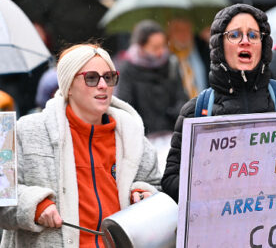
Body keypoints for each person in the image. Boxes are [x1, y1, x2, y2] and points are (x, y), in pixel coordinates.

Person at [0, 44, 161, 247]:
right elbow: (2, 196)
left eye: (109, 77)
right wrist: (34, 205)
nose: (103, 85)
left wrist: (144, 193)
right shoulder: (20, 129)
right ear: (68, 86)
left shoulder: (134, 135)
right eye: (91, 78)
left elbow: (155, 187)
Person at [162, 4, 276, 202]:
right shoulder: (197, 110)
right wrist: (212, 187)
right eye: (235, 35)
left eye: (253, 35)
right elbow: (170, 181)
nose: (245, 41)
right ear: (220, 44)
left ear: (263, 45)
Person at [115, 20, 188, 135]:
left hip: (171, 133)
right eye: (155, 47)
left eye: (163, 46)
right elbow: (125, 106)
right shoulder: (128, 68)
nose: (160, 52)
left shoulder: (171, 63)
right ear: (141, 46)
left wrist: (176, 114)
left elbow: (181, 97)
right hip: (143, 136)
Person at [167, 18, 209, 98]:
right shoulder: (165, 56)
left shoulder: (201, 49)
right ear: (170, 34)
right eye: (178, 30)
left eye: (187, 30)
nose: (183, 34)